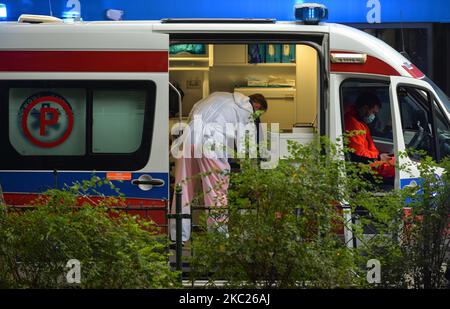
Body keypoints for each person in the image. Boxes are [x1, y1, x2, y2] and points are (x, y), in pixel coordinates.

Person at [170, 91, 267, 241]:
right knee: (216, 191)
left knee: (182, 189)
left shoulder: (216, 95)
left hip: (188, 138)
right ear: (257, 106)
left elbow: (192, 115)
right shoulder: (246, 110)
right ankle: (218, 239)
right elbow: (246, 146)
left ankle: (177, 237)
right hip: (211, 143)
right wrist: (250, 170)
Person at [344, 92, 395, 181]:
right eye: (373, 112)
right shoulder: (353, 123)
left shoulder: (359, 122)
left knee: (394, 160)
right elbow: (358, 155)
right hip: (362, 167)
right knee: (396, 166)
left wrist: (379, 156)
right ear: (365, 108)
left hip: (368, 162)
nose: (374, 116)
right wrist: (378, 157)